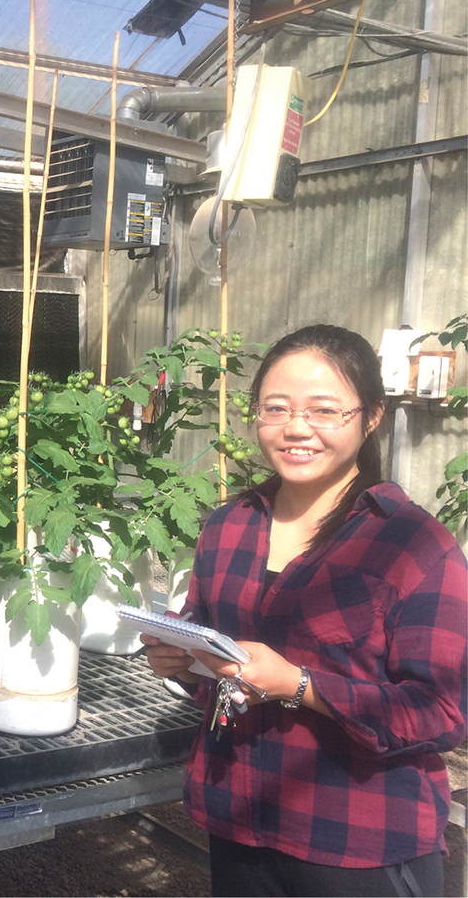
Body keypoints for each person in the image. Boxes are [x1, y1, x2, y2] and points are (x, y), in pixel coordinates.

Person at [142, 324, 467, 897]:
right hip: (238, 816)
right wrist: (182, 658)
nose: (296, 429)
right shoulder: (230, 527)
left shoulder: (412, 546)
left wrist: (300, 685)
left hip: (355, 841)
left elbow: (442, 711)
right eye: (276, 408)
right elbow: (217, 662)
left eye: (324, 411)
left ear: (371, 418)